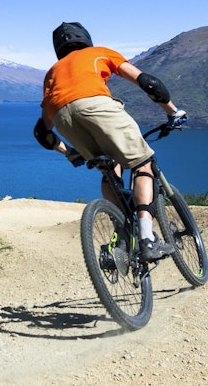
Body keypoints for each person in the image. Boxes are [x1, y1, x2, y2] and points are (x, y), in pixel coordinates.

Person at [33, 21, 187, 262]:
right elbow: (149, 83)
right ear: (85, 38)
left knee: (109, 169)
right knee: (142, 165)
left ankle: (123, 228)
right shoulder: (99, 53)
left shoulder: (51, 73)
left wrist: (69, 152)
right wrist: (172, 112)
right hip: (97, 106)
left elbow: (42, 132)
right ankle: (147, 238)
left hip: (62, 117)